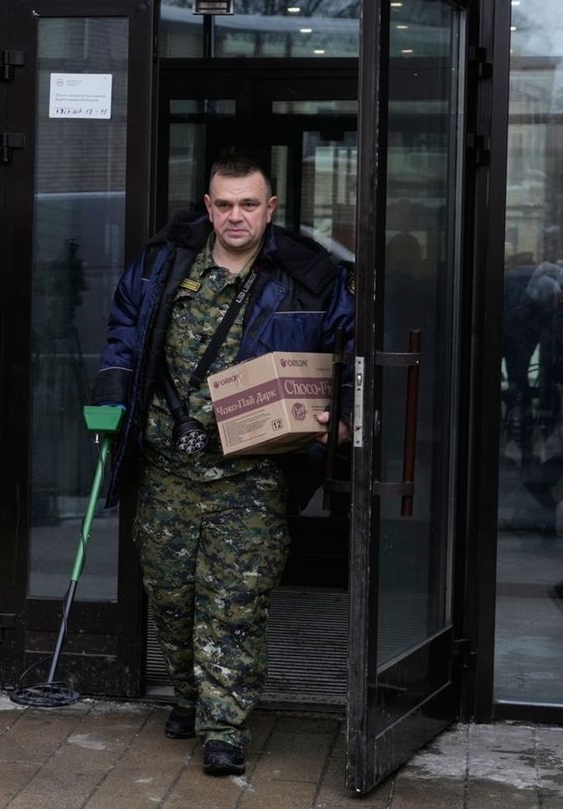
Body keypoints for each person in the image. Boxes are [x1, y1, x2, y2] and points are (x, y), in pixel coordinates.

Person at [90, 155, 353, 776]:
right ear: (208, 207)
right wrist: (112, 400)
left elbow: (348, 350)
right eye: (225, 205)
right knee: (173, 598)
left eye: (249, 205)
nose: (237, 217)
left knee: (234, 603)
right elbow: (123, 333)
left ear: (271, 208)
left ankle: (223, 726)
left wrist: (341, 417)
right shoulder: (162, 265)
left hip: (251, 473)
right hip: (167, 466)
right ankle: (188, 695)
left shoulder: (309, 276)